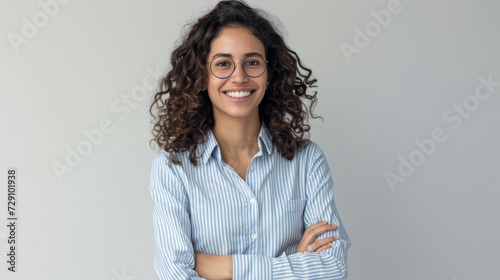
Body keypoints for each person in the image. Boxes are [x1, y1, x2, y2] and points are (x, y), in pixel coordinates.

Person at [148, 1, 350, 279]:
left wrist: (226, 267)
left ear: (270, 74)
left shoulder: (307, 160)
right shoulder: (173, 169)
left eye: (252, 62)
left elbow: (333, 269)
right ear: (201, 76)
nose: (239, 76)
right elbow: (175, 275)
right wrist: (294, 264)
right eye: (223, 64)